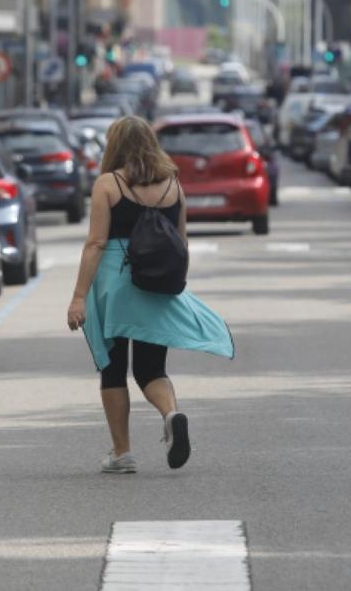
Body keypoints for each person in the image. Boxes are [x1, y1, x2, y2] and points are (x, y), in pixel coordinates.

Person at [67, 116, 234, 474]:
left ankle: (122, 452)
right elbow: (181, 241)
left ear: (115, 145)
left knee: (113, 369)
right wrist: (173, 281)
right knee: (150, 368)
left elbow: (96, 242)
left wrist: (79, 296)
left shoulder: (108, 184)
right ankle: (171, 414)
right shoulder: (173, 185)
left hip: (115, 284)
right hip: (156, 282)